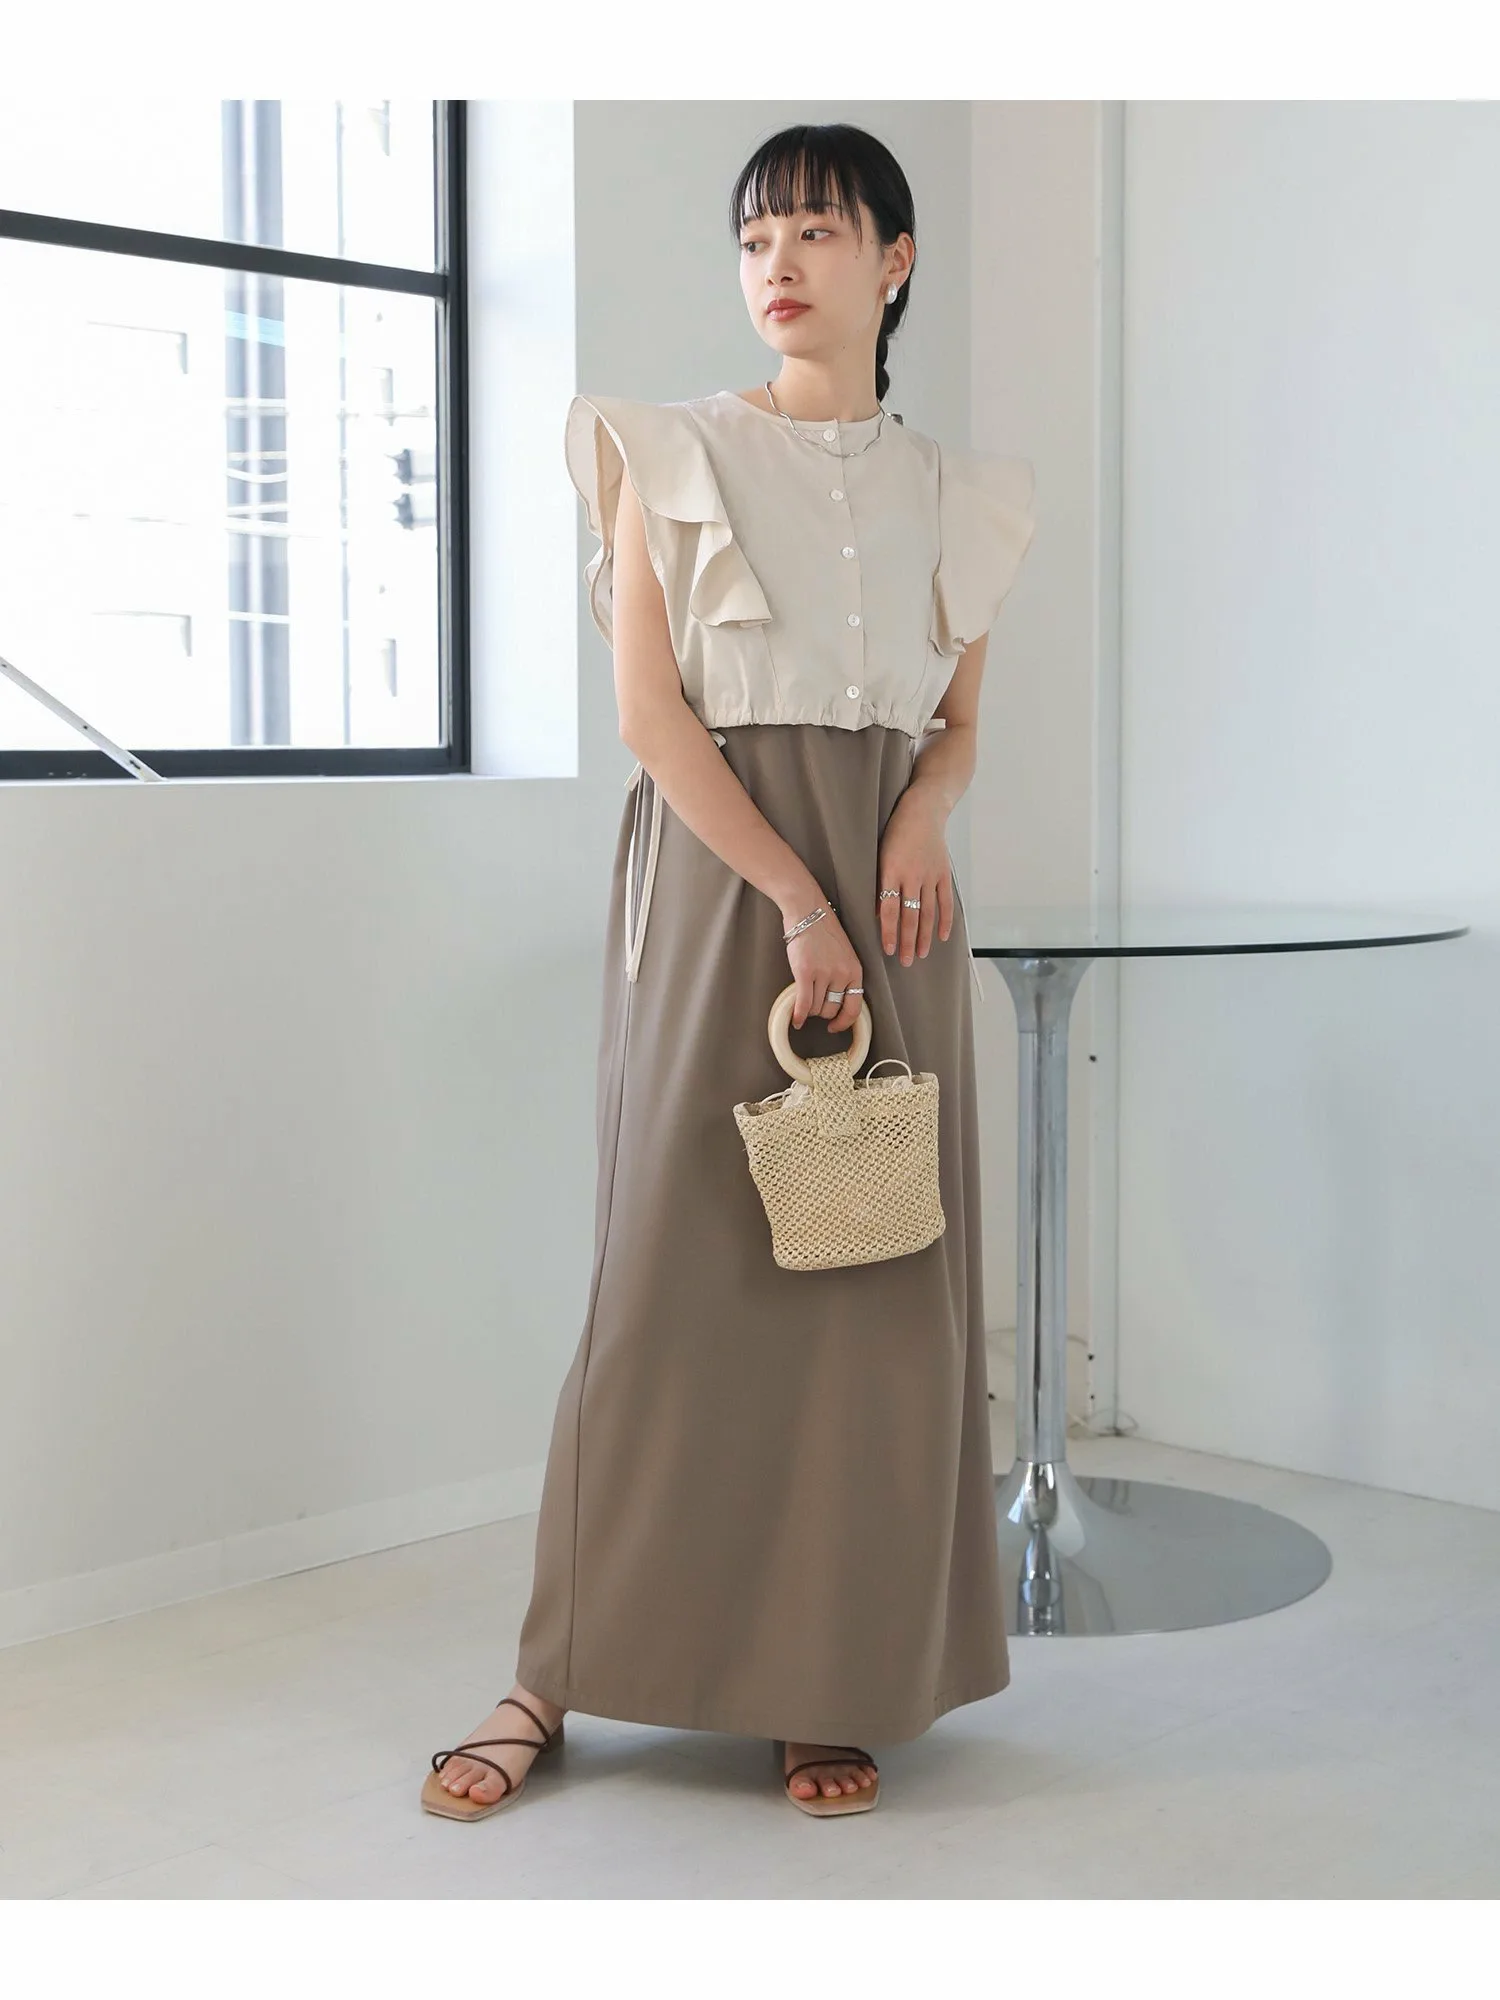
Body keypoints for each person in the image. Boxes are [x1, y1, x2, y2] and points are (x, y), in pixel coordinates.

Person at [423, 121, 1036, 1822]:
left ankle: (820, 1678)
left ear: (894, 262)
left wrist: (920, 820)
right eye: (757, 237)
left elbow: (960, 726)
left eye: (819, 232)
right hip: (722, 887)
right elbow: (650, 718)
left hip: (894, 896)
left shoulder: (962, 494)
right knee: (668, 1278)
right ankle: (548, 1674)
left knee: (866, 1285)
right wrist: (795, 898)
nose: (779, 264)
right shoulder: (665, 450)